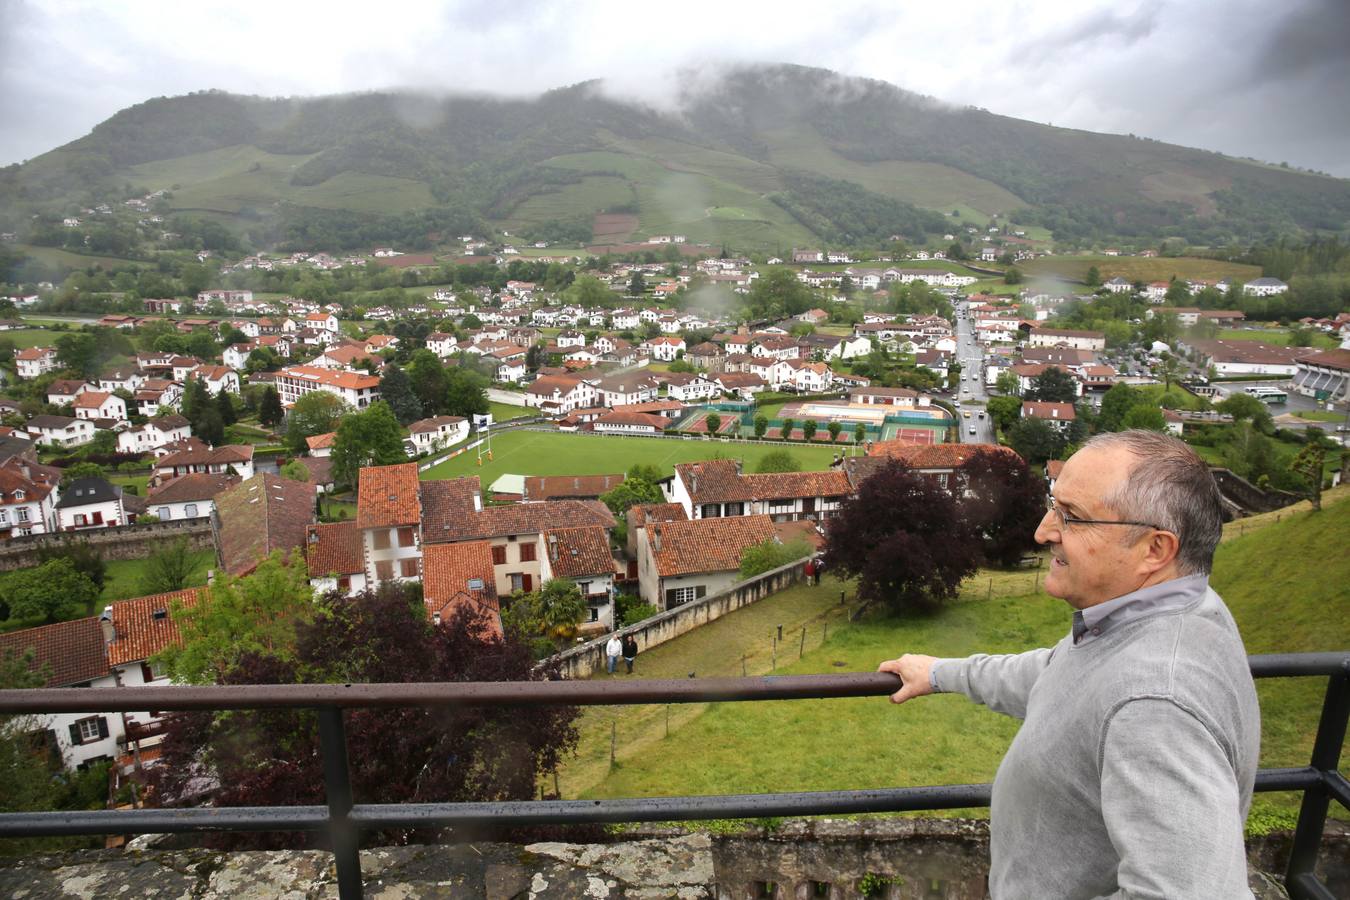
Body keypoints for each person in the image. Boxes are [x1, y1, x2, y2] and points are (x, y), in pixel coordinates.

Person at [878, 430, 1260, 898]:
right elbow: (1063, 674)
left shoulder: (1156, 704)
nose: (1043, 531)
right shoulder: (1167, 613)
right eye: (1053, 505)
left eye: (1072, 517)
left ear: (1155, 550)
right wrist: (941, 673)